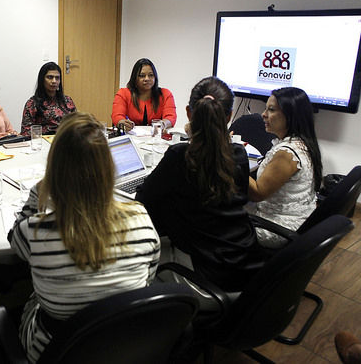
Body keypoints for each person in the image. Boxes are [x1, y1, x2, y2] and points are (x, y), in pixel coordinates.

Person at [9, 111, 160, 363]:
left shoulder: (35, 231)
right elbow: (149, 277)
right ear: (108, 165)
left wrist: (39, 192)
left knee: (30, 295)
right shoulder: (140, 217)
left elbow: (15, 240)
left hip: (55, 353)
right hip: (125, 348)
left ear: (55, 167)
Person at [135, 77, 266, 297]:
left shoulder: (180, 157)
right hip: (249, 269)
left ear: (188, 112)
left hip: (208, 281)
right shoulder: (239, 155)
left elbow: (143, 202)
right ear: (230, 116)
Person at [247, 87, 323, 248]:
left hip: (275, 228)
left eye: (271, 110)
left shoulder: (287, 154)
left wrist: (228, 162)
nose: (264, 114)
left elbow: (257, 194)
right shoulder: (302, 144)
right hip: (296, 221)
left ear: (291, 116)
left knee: (215, 215)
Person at [112, 58, 177, 132]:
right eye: (142, 76)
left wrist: (162, 124)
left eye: (151, 75)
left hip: (156, 137)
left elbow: (171, 117)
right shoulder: (123, 93)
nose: (147, 79)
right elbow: (116, 116)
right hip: (131, 136)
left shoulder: (165, 94)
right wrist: (122, 123)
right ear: (134, 78)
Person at [20, 62, 76, 135]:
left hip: (65, 140)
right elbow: (25, 131)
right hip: (43, 141)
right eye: (50, 77)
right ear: (42, 79)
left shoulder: (67, 101)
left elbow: (76, 124)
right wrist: (49, 129)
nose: (54, 81)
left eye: (57, 78)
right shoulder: (32, 103)